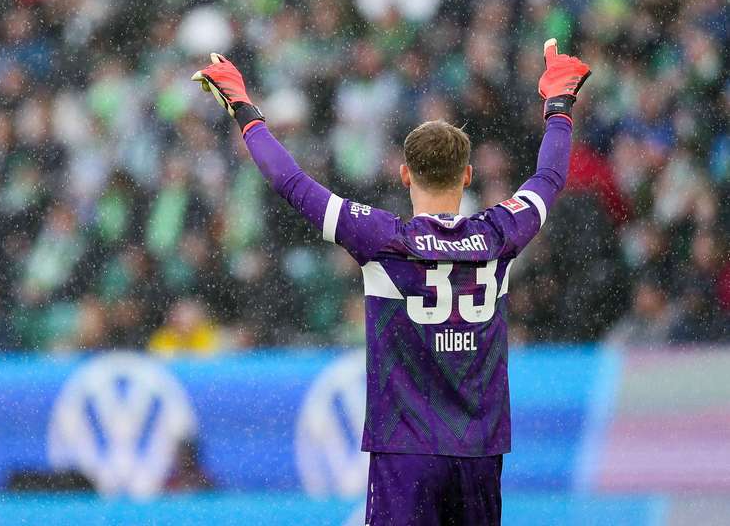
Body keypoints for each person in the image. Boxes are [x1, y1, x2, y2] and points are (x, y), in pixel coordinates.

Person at [191, 39, 590, 525]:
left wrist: (243, 107)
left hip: (406, 447)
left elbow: (289, 182)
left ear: (404, 175)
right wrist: (559, 105)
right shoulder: (499, 234)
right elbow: (548, 177)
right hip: (480, 448)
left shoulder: (383, 240)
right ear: (466, 175)